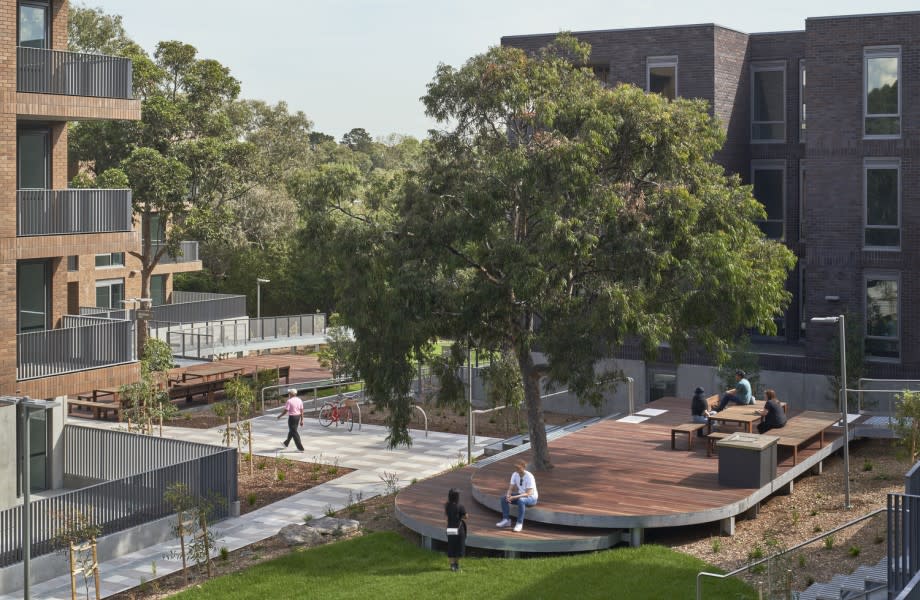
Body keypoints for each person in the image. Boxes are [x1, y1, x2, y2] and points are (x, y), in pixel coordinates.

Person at [496, 459, 538, 532]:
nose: (517, 470)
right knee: (504, 498)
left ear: (524, 467)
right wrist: (509, 495)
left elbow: (529, 493)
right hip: (521, 495)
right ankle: (506, 520)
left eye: (519, 468)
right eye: (516, 468)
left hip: (531, 498)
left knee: (521, 500)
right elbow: (510, 488)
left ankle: (519, 523)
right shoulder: (515, 474)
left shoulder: (529, 476)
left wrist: (514, 497)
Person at [444, 488, 467, 571]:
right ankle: (456, 564)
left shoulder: (447, 505)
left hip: (450, 528)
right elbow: (466, 516)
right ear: (457, 497)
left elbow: (447, 517)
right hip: (459, 529)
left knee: (451, 546)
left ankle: (452, 565)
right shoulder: (460, 506)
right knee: (459, 546)